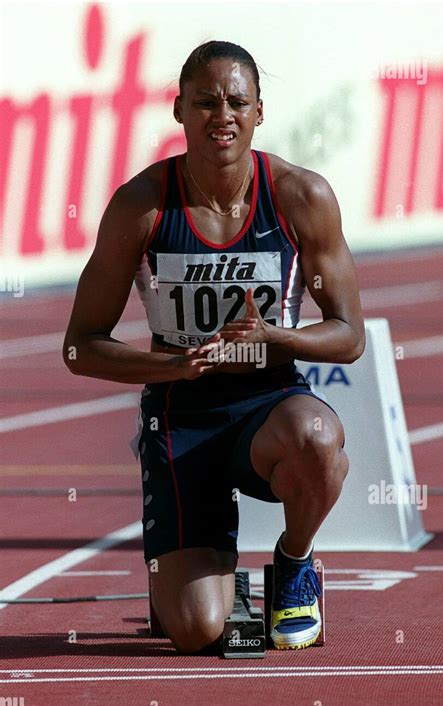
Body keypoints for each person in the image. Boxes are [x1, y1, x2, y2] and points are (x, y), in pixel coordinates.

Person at [64, 40, 365, 653]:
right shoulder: (141, 206)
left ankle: (293, 562)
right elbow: (80, 347)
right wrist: (171, 365)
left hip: (268, 404)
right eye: (204, 102)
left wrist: (272, 337)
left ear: (260, 111)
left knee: (319, 439)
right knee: (198, 631)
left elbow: (350, 334)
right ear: (178, 111)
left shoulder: (302, 198)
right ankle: (191, 584)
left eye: (236, 101)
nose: (220, 115)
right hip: (182, 417)